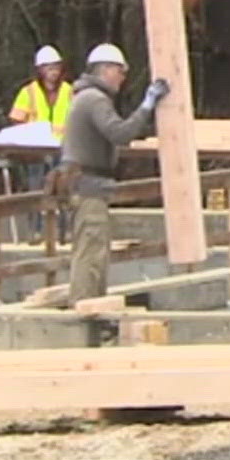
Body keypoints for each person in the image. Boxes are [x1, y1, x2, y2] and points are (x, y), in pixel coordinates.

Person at [57, 43, 168, 304]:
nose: (122, 77)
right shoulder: (94, 99)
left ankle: (89, 305)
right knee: (91, 252)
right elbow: (120, 133)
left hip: (85, 185)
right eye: (120, 71)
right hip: (88, 187)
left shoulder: (85, 97)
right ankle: (84, 310)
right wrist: (147, 105)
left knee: (93, 249)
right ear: (106, 70)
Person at [8, 45, 73, 140]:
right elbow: (16, 121)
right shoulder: (28, 92)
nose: (54, 72)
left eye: (56, 67)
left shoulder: (70, 91)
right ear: (40, 69)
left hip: (64, 146)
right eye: (49, 68)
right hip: (36, 147)